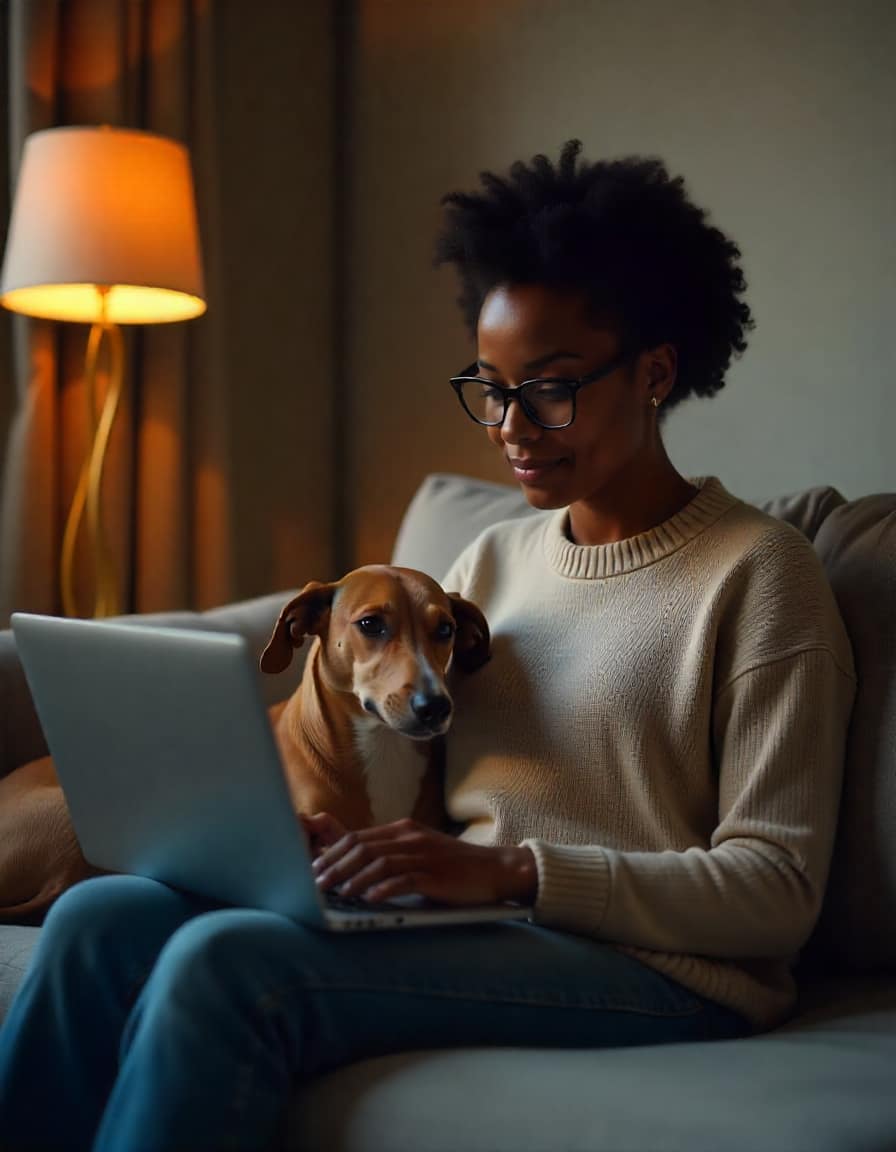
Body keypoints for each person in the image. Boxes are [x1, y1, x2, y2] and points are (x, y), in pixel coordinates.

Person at [0, 140, 855, 1152]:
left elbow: (774, 895)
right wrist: (322, 849)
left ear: (657, 370)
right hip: (470, 926)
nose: (508, 426)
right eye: (488, 387)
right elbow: (417, 766)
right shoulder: (488, 564)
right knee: (106, 921)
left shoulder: (763, 575)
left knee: (226, 965)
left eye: (547, 386)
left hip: (659, 971)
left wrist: (509, 874)